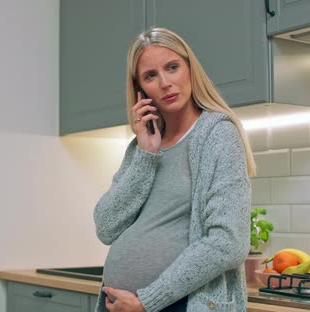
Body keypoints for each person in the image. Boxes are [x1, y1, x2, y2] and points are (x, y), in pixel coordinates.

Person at [93, 27, 257, 312]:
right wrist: (146, 154)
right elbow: (106, 226)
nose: (166, 83)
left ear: (190, 69)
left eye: (172, 67)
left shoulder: (216, 134)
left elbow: (228, 243)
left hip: (178, 305)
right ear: (140, 89)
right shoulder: (141, 146)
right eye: (151, 75)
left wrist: (148, 301)